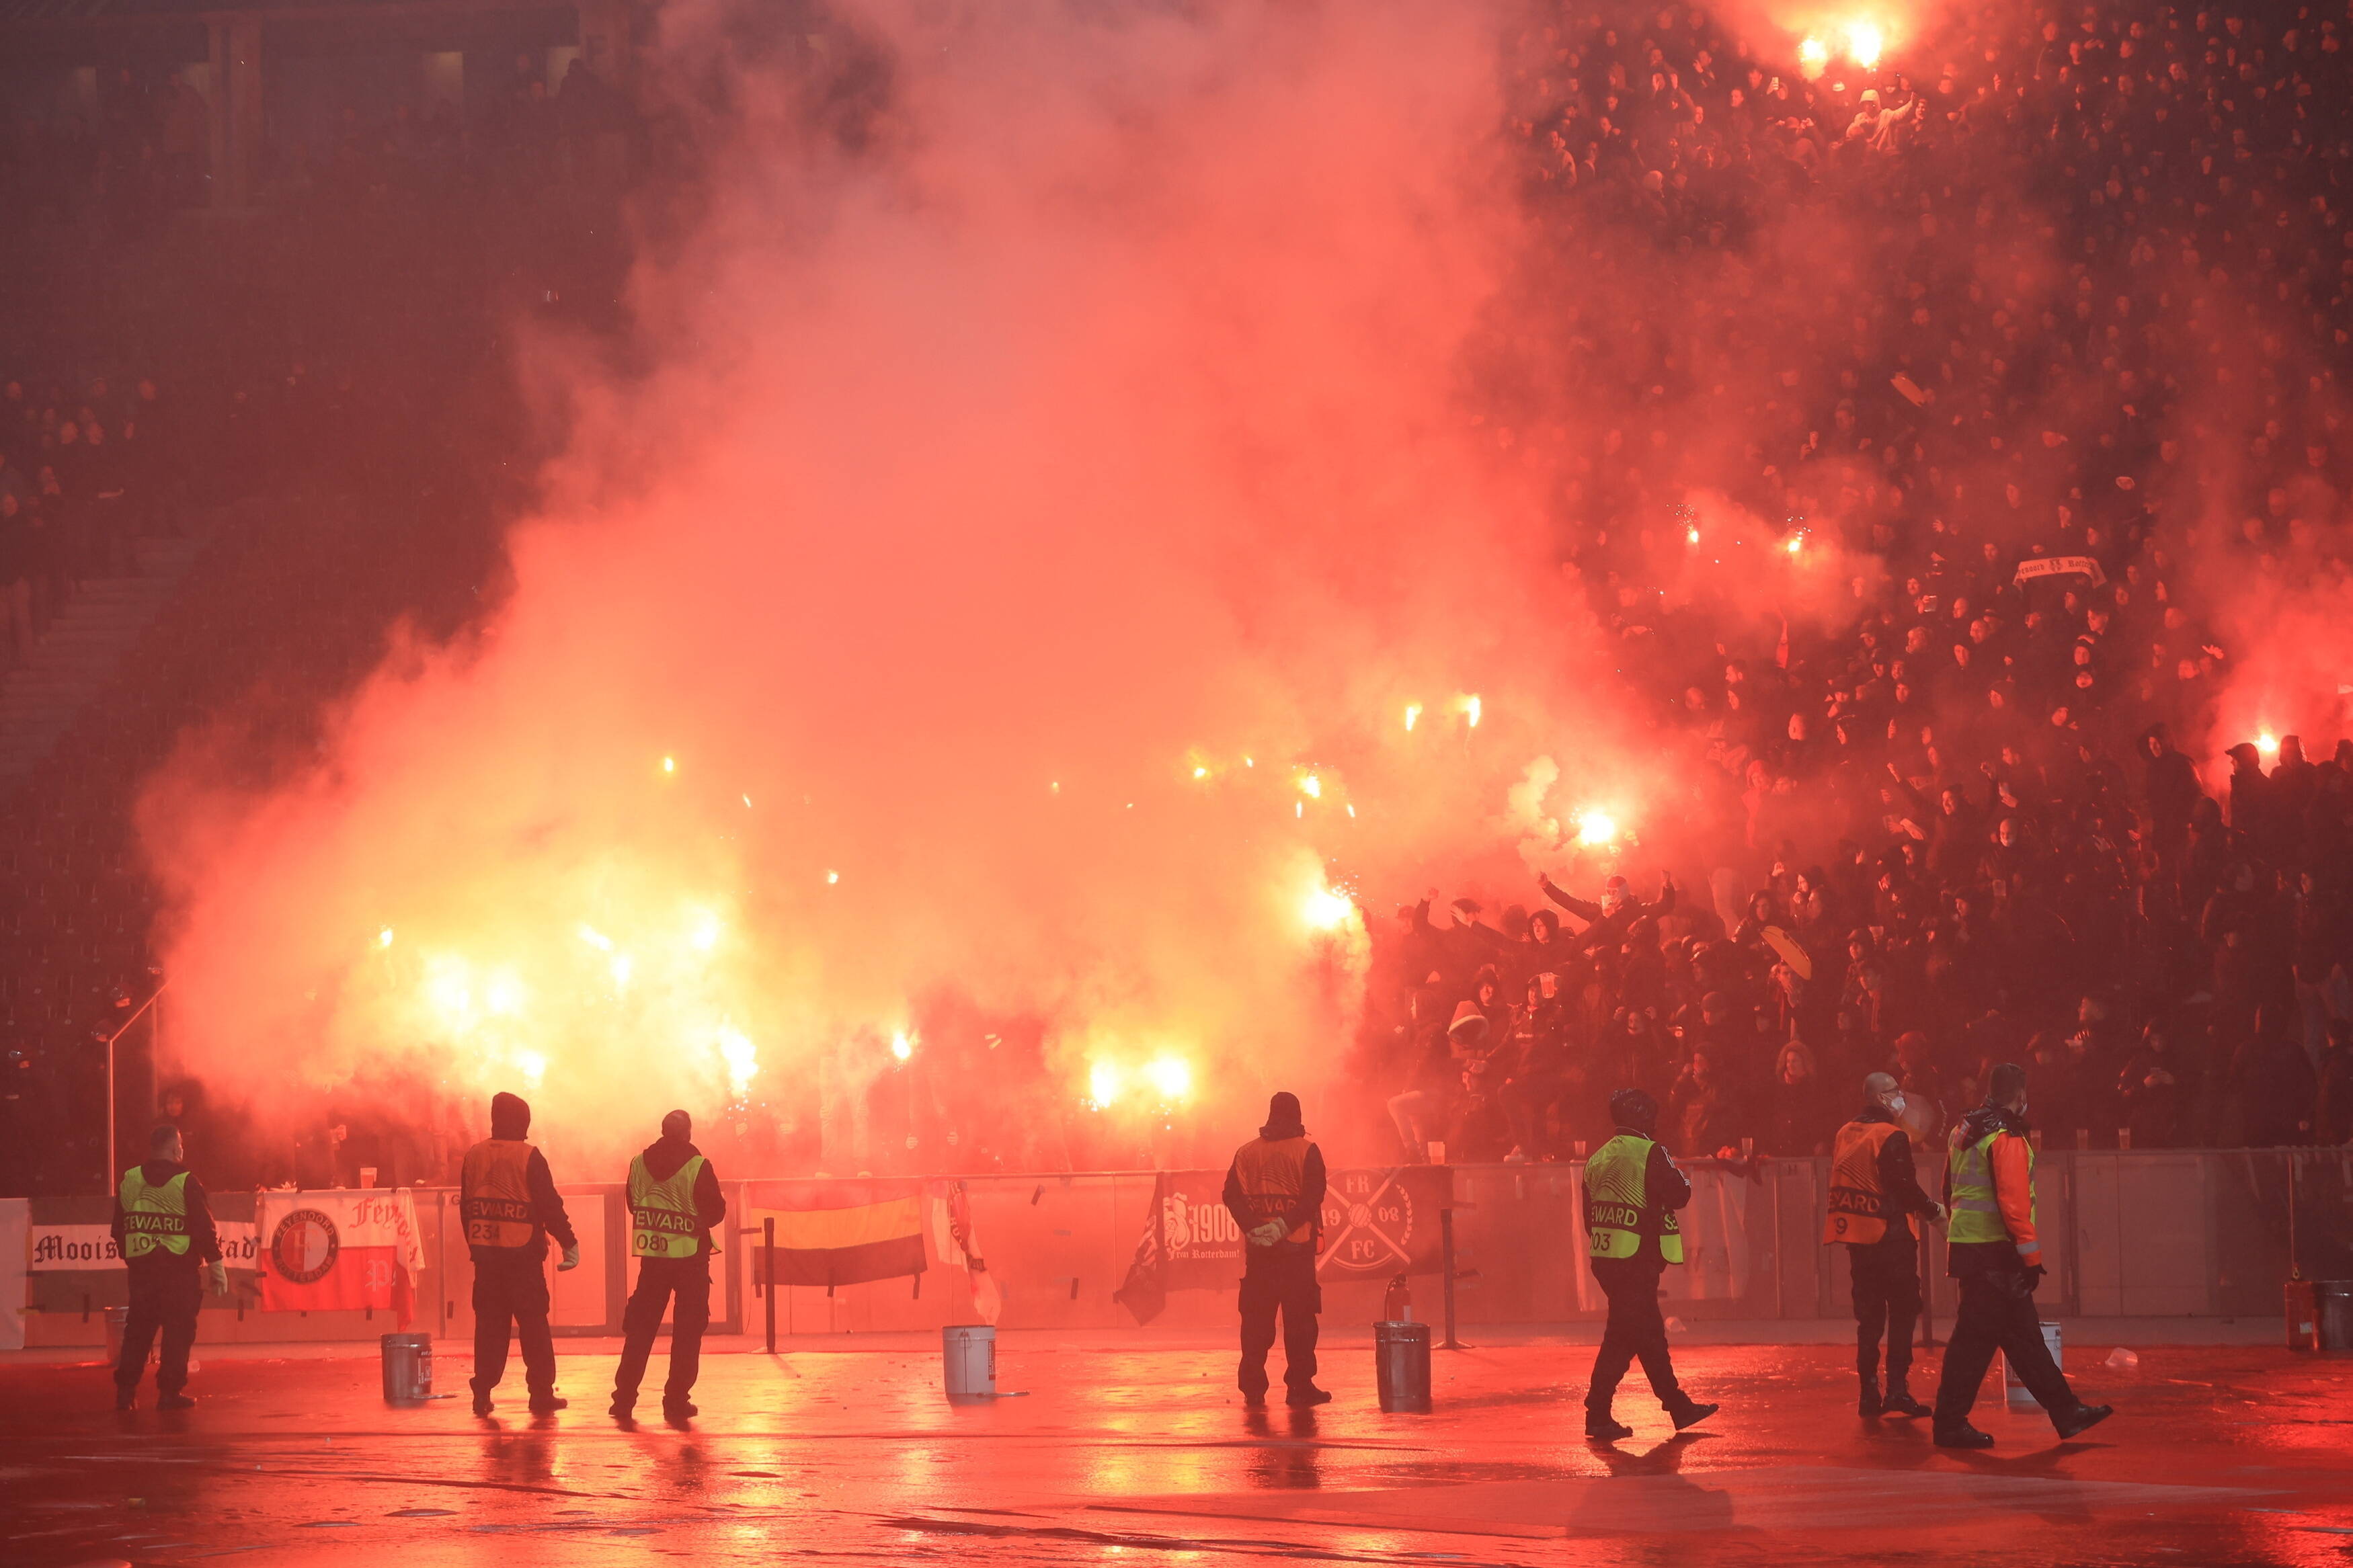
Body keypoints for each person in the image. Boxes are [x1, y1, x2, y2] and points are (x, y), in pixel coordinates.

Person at [1932, 1064, 2114, 1447]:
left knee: (2023, 1339)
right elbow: (2014, 1205)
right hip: (1996, 1253)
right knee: (1974, 1344)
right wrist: (2031, 1258)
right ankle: (1949, 1424)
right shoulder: (2005, 1136)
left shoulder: (1963, 1130)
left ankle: (2067, 1411)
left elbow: (1948, 1187)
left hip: (1970, 1247)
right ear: (2020, 1095)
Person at [1581, 1087, 1717, 1440]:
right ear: (1641, 1116)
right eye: (1652, 1115)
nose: (1656, 1122)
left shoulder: (1596, 1158)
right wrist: (1682, 1176)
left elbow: (1588, 1218)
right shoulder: (1650, 1152)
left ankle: (1672, 1406)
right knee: (1634, 1337)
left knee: (1636, 1334)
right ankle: (1605, 1412)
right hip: (1637, 1258)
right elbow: (1679, 1195)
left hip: (1607, 1258)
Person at [1823, 1072, 1945, 1419]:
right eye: (1894, 1092)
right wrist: (1935, 1212)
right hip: (1892, 1238)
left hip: (1859, 1240)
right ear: (1880, 1098)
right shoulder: (1891, 1136)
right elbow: (1904, 1187)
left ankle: (1867, 1394)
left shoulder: (1845, 1132)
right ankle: (1897, 1390)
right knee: (1904, 1312)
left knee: (1869, 1320)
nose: (1900, 1097)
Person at [460, 1091, 579, 1417]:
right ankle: (541, 1394)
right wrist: (568, 1240)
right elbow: (549, 1205)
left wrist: (477, 1247)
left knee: (489, 1328)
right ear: (522, 1121)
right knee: (534, 1327)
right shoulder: (529, 1157)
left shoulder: (474, 1156)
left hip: (487, 1259)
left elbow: (467, 1210)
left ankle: (482, 1393)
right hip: (523, 1258)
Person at [611, 1109, 727, 1422]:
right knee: (688, 1332)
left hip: (653, 1259)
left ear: (662, 1131)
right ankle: (676, 1400)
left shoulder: (638, 1164)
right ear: (688, 1133)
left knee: (641, 1329)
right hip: (690, 1260)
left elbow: (634, 1203)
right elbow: (716, 1211)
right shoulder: (697, 1165)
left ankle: (623, 1400)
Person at [1220, 1091, 1329, 1408]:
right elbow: (1313, 1196)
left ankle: (1253, 1390)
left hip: (1260, 1256)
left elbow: (1230, 1194)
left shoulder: (1246, 1153)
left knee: (1256, 1323)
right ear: (1297, 1116)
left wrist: (1255, 1227)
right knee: (1301, 1324)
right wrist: (1283, 1227)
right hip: (1295, 1254)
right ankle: (1300, 1388)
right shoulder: (1307, 1150)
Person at [111, 1122, 226, 1411]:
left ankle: (126, 1394)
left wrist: (134, 1257)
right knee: (178, 1333)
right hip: (179, 1272)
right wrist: (216, 1264)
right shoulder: (186, 1182)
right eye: (181, 1145)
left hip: (143, 1273)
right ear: (175, 1148)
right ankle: (168, 1394)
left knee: (137, 1331)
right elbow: (203, 1228)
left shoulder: (131, 1179)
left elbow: (118, 1228)